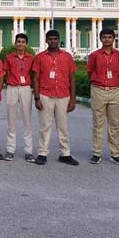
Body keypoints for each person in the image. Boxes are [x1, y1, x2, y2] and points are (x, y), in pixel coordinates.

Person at [31, 30, 78, 166]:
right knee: (45, 126)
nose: (53, 41)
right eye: (50, 39)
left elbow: (72, 78)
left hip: (63, 95)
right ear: (46, 40)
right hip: (45, 95)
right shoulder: (40, 57)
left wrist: (73, 99)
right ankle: (42, 153)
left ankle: (65, 154)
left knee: (63, 126)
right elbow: (35, 78)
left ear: (59, 40)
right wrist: (37, 98)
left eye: (55, 39)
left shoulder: (67, 57)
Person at [87, 28, 119, 166]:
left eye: (110, 37)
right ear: (100, 39)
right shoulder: (95, 55)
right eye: (104, 37)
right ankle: (96, 153)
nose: (107, 39)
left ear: (113, 39)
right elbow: (90, 71)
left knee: (115, 124)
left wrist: (116, 82)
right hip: (98, 90)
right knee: (98, 124)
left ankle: (115, 154)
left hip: (115, 90)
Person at [3, 33, 35, 162]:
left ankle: (28, 151)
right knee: (11, 120)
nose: (20, 44)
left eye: (23, 42)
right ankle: (10, 150)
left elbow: (33, 74)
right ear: (15, 43)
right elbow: (6, 72)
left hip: (25, 88)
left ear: (26, 44)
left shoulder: (31, 58)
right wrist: (10, 82)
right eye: (18, 41)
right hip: (12, 88)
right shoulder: (9, 57)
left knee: (27, 120)